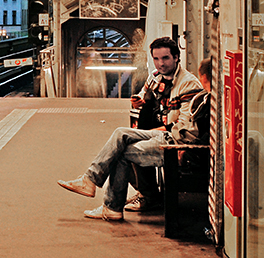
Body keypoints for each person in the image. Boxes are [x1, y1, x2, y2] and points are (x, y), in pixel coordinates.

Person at [56, 38, 204, 221]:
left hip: (175, 142)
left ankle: (110, 206)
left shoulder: (189, 84)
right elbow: (143, 95)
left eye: (165, 58)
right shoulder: (155, 77)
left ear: (176, 57)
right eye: (156, 59)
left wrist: (156, 130)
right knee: (120, 133)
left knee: (121, 153)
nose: (161, 63)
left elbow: (183, 129)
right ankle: (90, 181)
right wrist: (140, 101)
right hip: (161, 134)